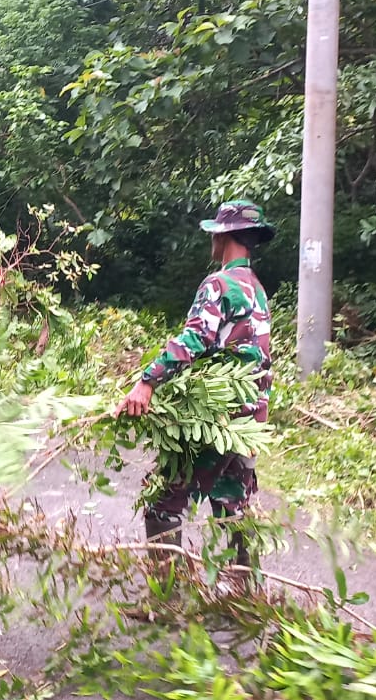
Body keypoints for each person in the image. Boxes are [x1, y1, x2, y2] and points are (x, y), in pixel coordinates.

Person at [114, 200, 275, 568]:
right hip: (249, 420)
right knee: (233, 504)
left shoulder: (219, 284)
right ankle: (245, 590)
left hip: (215, 419)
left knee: (162, 501)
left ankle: (168, 592)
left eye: (215, 234)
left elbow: (194, 340)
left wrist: (147, 382)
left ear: (225, 237)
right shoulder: (256, 288)